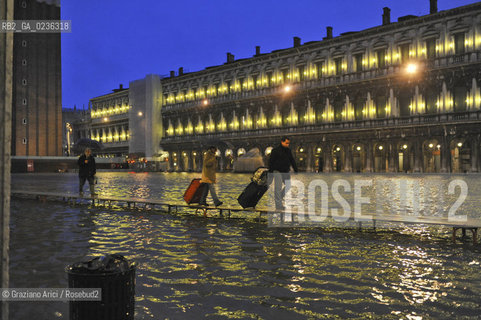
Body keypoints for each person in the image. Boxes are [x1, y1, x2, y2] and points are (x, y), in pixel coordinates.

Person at [268, 136, 298, 210]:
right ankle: (278, 205)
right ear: (282, 142)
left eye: (288, 143)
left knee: (288, 185)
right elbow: (271, 162)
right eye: (286, 143)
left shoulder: (288, 151)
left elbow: (292, 160)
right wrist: (271, 174)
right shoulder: (275, 151)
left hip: (286, 171)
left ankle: (279, 197)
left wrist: (295, 169)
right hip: (277, 171)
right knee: (278, 188)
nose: (288, 144)